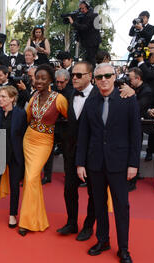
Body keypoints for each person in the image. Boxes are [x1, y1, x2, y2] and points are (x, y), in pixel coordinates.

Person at [76, 63, 141, 263]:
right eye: (99, 77)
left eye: (107, 75)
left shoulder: (128, 99)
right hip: (95, 162)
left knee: (122, 207)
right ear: (94, 80)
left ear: (115, 77)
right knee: (99, 205)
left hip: (119, 163)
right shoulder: (91, 101)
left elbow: (135, 134)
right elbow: (83, 134)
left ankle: (123, 248)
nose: (103, 79)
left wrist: (133, 164)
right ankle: (103, 241)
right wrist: (80, 163)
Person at [18, 64, 68, 237]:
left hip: (45, 141)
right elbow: (28, 117)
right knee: (32, 180)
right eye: (36, 77)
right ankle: (34, 218)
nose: (38, 81)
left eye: (43, 78)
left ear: (50, 80)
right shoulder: (33, 97)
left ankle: (27, 221)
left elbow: (71, 119)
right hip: (29, 139)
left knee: (31, 178)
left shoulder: (59, 99)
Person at [56, 62, 98, 241]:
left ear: (90, 76)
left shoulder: (101, 94)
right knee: (69, 189)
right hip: (71, 150)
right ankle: (72, 222)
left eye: (79, 75)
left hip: (93, 152)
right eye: (73, 74)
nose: (74, 78)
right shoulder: (70, 94)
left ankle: (88, 226)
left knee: (93, 192)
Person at [0, 86, 27, 228]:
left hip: (15, 154)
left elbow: (24, 135)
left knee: (14, 185)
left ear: (12, 98)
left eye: (3, 97)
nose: (0, 99)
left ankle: (12, 214)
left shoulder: (20, 114)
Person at [68, 1, 102, 66]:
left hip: (92, 42)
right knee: (88, 59)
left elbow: (85, 27)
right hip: (87, 42)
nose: (81, 10)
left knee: (91, 61)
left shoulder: (92, 14)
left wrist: (73, 23)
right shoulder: (86, 14)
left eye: (83, 8)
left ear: (87, 7)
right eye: (80, 9)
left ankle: (92, 74)